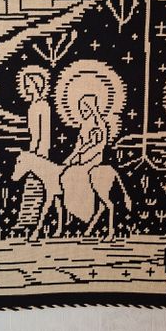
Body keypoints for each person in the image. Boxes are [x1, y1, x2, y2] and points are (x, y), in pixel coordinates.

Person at [60, 94, 108, 222]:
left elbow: (98, 146)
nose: (82, 113)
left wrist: (82, 157)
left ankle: (84, 212)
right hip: (81, 158)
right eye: (80, 110)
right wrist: (70, 158)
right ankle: (72, 209)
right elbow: (78, 146)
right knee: (65, 174)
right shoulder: (84, 125)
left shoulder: (100, 124)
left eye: (85, 110)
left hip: (93, 159)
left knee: (74, 174)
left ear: (92, 108)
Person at [23, 72, 51, 158]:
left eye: (28, 85)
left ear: (36, 85)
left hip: (40, 150)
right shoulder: (32, 106)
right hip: (33, 146)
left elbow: (44, 131)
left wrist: (37, 150)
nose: (26, 88)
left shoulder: (43, 105)